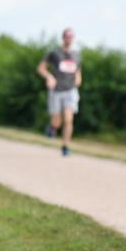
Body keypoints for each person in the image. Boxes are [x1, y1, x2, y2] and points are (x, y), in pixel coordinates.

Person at [37, 28, 82, 157]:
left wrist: (79, 78)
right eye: (66, 36)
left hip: (71, 90)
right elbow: (41, 68)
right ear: (63, 38)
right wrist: (49, 77)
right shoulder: (54, 53)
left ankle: (65, 146)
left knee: (69, 119)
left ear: (73, 38)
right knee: (57, 122)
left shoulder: (76, 53)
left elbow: (78, 69)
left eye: (71, 37)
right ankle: (52, 128)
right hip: (56, 91)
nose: (69, 39)